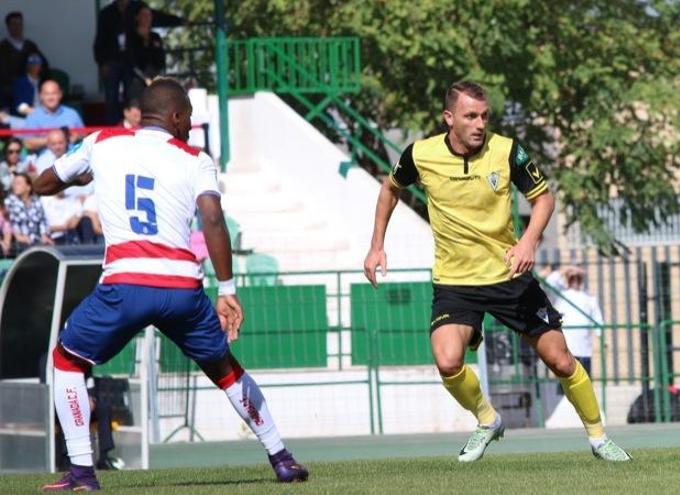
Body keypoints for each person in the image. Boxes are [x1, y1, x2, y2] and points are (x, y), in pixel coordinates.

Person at [34, 78, 308, 491]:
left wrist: (83, 177)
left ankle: (83, 473)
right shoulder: (195, 158)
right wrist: (228, 289)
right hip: (182, 288)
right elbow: (212, 219)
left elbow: (44, 183)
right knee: (226, 371)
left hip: (125, 284)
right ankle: (282, 459)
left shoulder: (102, 142)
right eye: (189, 119)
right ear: (176, 117)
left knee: (67, 361)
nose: (190, 127)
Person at [363, 80, 630, 463]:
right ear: (448, 118)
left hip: (510, 278)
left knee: (561, 360)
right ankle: (488, 420)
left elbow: (544, 198)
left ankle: (599, 437)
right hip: (456, 282)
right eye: (470, 116)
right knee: (447, 360)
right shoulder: (420, 155)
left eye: (485, 115)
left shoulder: (507, 151)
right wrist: (376, 245)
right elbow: (390, 189)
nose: (479, 123)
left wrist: (528, 242)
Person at [553, 266, 603, 377]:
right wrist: (568, 269)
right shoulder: (562, 295)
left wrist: (601, 337)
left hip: (584, 348)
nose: (575, 280)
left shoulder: (589, 297)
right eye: (572, 277)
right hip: (567, 348)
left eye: (578, 278)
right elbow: (551, 280)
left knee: (584, 379)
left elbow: (597, 318)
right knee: (567, 379)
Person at [0, 11, 48, 110]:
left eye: (19, 24)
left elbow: (44, 65)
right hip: (9, 89)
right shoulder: (2, 47)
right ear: (8, 26)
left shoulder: (30, 46)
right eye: (14, 24)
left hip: (31, 86)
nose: (17, 27)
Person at [23, 79, 84, 152]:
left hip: (70, 155)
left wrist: (77, 137)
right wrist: (55, 140)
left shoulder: (72, 113)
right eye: (47, 94)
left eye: (54, 93)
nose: (50, 97)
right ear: (41, 96)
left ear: (60, 94)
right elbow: (27, 143)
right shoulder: (33, 116)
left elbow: (84, 135)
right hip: (45, 158)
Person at [127, 4, 166, 100]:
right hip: (137, 78)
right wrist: (145, 78)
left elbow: (161, 58)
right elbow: (132, 61)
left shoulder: (155, 37)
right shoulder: (131, 37)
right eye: (144, 15)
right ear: (137, 17)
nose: (147, 18)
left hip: (156, 77)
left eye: (149, 15)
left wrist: (158, 77)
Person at [5, 172, 50, 252]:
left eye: (18, 183)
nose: (15, 186)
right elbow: (10, 223)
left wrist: (44, 236)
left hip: (37, 241)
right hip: (19, 243)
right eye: (14, 183)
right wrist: (18, 236)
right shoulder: (9, 203)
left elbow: (43, 221)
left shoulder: (37, 202)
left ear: (28, 187)